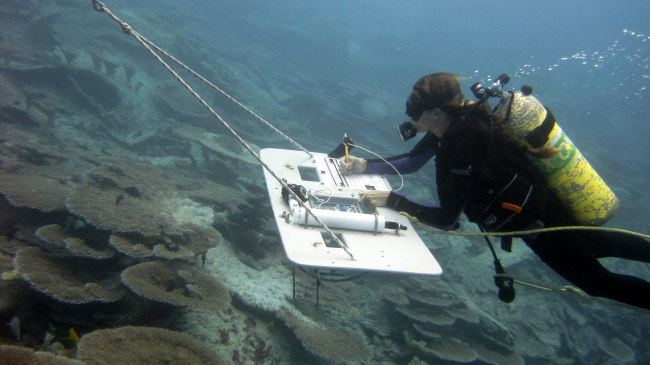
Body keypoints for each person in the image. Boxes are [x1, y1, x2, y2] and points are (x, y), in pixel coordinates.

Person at [340, 72, 650, 310]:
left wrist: (394, 200)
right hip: (543, 205)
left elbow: (447, 219)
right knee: (597, 245)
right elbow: (412, 161)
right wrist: (364, 166)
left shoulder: (459, 144)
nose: (409, 115)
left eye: (414, 108)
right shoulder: (456, 124)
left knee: (597, 283)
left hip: (536, 223)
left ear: (435, 111)